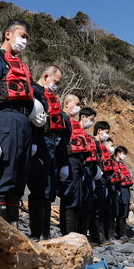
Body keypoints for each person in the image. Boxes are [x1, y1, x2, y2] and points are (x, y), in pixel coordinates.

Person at [0, 19, 46, 223]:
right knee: (3, 176)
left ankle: (12, 237)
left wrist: (35, 114)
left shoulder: (22, 66)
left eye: (26, 38)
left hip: (24, 122)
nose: (25, 41)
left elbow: (32, 94)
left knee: (18, 180)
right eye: (22, 36)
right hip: (6, 117)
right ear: (8, 34)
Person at [27, 65, 69, 240]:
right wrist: (33, 142)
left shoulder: (51, 97)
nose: (56, 86)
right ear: (46, 76)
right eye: (56, 82)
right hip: (40, 141)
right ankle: (37, 233)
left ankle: (46, 232)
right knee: (39, 187)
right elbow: (30, 118)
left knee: (49, 190)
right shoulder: (35, 92)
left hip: (52, 144)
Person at [58, 95, 94, 235]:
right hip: (69, 160)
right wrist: (62, 164)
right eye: (77, 103)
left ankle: (76, 235)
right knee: (70, 197)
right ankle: (68, 235)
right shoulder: (64, 120)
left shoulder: (75, 125)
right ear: (67, 103)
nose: (79, 106)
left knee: (78, 199)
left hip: (79, 163)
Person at [115, 145, 134, 238]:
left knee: (124, 210)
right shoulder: (115, 163)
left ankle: (122, 232)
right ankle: (121, 233)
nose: (124, 156)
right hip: (120, 190)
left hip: (126, 189)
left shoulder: (122, 164)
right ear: (118, 153)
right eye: (123, 154)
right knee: (120, 210)